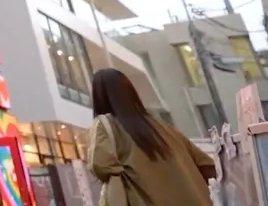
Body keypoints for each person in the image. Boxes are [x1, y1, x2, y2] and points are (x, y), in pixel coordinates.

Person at [87, 67, 216, 205]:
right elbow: (207, 165)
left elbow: (100, 165)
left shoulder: (105, 125)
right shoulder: (163, 127)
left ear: (99, 96)